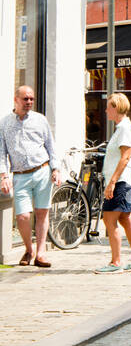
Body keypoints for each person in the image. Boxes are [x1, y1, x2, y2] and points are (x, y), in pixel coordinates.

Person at [0, 85, 60, 267]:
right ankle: (29, 249)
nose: (29, 102)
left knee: (42, 212)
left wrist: (55, 169)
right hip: (20, 175)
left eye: (32, 99)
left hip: (42, 170)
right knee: (23, 216)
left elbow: (51, 145)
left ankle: (41, 253)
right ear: (16, 100)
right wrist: (3, 176)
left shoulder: (40, 120)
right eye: (25, 99)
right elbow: (1, 152)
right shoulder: (5, 123)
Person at [98, 94, 131, 273]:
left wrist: (112, 182)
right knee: (125, 218)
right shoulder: (123, 127)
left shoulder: (124, 128)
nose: (106, 110)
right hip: (124, 181)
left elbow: (125, 157)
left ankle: (115, 262)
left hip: (121, 181)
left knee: (109, 219)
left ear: (116, 107)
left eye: (109, 107)